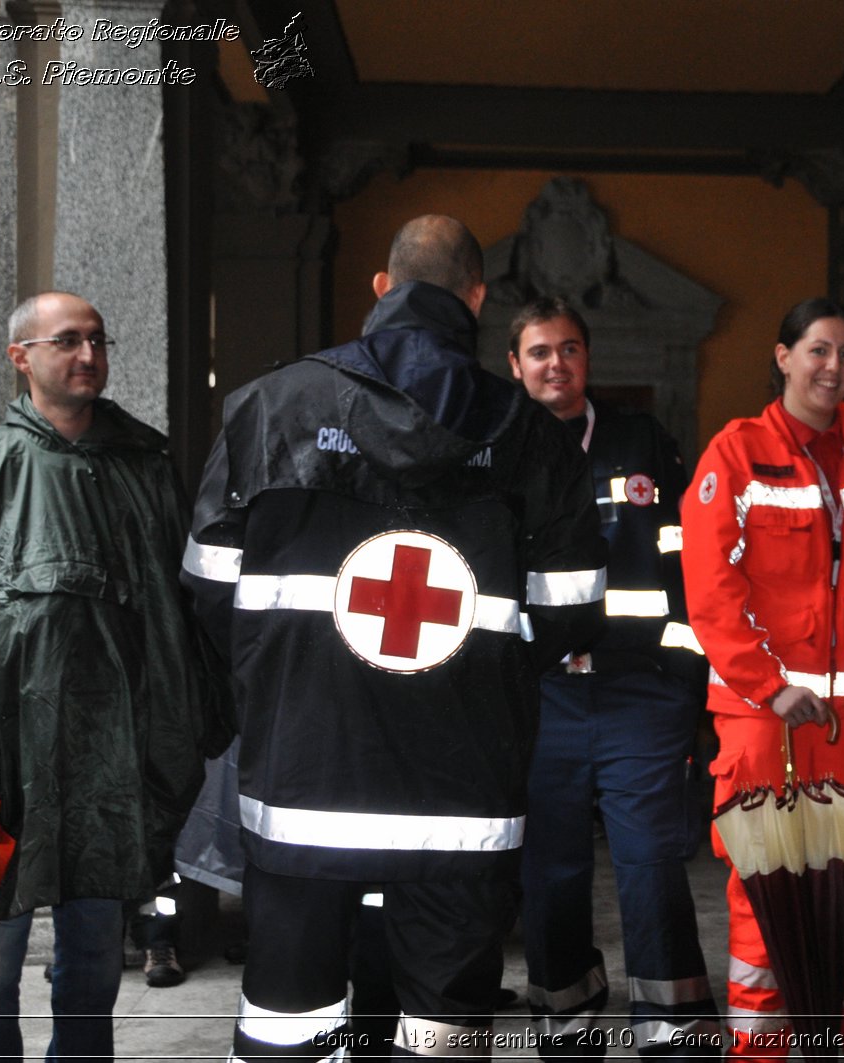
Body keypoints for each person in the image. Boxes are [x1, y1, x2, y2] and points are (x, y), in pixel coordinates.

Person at [182, 215, 607, 1060]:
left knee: (288, 1020)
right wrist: (485, 673)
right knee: (445, 1029)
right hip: (461, 799)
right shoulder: (531, 432)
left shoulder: (270, 406)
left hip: (306, 782)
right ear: (477, 297)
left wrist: (288, 676)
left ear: (384, 288)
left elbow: (207, 587)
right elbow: (571, 606)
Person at [0, 291, 226, 1061]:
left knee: (92, 967)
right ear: (21, 358)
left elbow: (178, 615)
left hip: (109, 771)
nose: (89, 356)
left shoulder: (144, 466)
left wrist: (183, 738)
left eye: (98, 340)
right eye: (67, 341)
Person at [681, 298, 844, 1059]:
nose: (834, 368)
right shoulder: (736, 452)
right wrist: (768, 685)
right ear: (783, 356)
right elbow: (710, 588)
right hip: (768, 718)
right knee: (767, 904)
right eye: (818, 350)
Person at [506, 296, 718, 1055]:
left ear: (587, 360)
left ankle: (674, 1026)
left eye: (568, 349)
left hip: (640, 697)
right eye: (539, 351)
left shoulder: (643, 441)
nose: (555, 363)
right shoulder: (496, 450)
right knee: (552, 875)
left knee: (651, 864)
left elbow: (690, 566)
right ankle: (567, 1022)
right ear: (514, 364)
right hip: (544, 699)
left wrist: (683, 685)